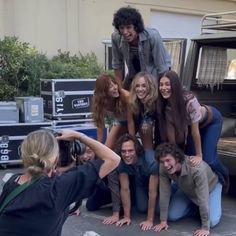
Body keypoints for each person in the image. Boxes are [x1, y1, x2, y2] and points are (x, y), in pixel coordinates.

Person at [0, 129, 120, 236]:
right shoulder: (58, 188)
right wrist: (79, 135)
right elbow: (113, 159)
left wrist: (63, 169)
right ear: (56, 158)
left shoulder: (12, 183)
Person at [156, 70, 229, 189]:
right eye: (161, 84)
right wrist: (174, 154)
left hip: (211, 121)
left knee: (207, 160)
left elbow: (195, 131)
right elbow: (171, 134)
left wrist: (199, 155)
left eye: (167, 84)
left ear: (174, 85)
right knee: (188, 158)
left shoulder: (190, 100)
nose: (164, 88)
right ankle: (194, 188)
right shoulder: (166, 105)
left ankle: (224, 175)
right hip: (192, 127)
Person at [154, 142, 222, 236]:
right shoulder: (163, 167)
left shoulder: (196, 169)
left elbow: (203, 197)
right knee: (172, 216)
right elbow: (164, 193)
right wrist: (163, 221)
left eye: (168, 160)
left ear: (177, 158)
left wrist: (205, 228)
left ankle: (203, 207)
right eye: (162, 161)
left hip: (210, 187)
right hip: (187, 189)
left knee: (211, 222)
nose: (165, 165)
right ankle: (194, 207)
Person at [56, 145, 121, 223]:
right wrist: (76, 206)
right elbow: (79, 184)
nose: (85, 156)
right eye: (82, 153)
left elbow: (114, 187)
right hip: (99, 187)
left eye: (89, 152)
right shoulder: (79, 162)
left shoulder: (106, 162)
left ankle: (121, 204)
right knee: (90, 206)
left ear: (95, 152)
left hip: (114, 189)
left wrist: (115, 215)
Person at [112, 6, 171, 90]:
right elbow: (117, 66)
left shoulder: (153, 36)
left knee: (148, 97)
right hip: (134, 73)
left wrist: (161, 90)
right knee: (124, 94)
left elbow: (162, 69)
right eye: (121, 28)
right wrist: (121, 92)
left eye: (128, 27)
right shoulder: (116, 38)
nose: (125, 32)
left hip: (155, 73)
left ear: (136, 27)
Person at [114, 134, 159, 231]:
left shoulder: (151, 160)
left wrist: (149, 220)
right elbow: (125, 189)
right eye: (123, 151)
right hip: (141, 184)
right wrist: (126, 217)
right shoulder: (121, 162)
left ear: (137, 150)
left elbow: (152, 192)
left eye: (130, 151)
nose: (126, 155)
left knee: (160, 210)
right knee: (142, 208)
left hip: (158, 187)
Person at [128, 71, 158, 150]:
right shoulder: (133, 102)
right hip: (141, 139)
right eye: (137, 86)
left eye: (144, 86)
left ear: (150, 87)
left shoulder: (157, 102)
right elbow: (130, 123)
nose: (140, 89)